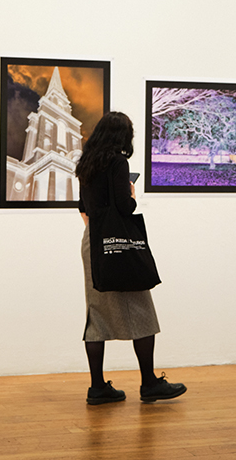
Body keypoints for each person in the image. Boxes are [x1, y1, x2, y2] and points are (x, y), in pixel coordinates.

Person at [75, 111, 187, 405]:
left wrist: (98, 233)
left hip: (93, 242)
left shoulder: (86, 165)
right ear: (122, 136)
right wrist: (133, 194)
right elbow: (125, 208)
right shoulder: (117, 162)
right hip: (120, 244)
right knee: (142, 311)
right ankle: (149, 384)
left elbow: (82, 208)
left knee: (96, 314)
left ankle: (97, 388)